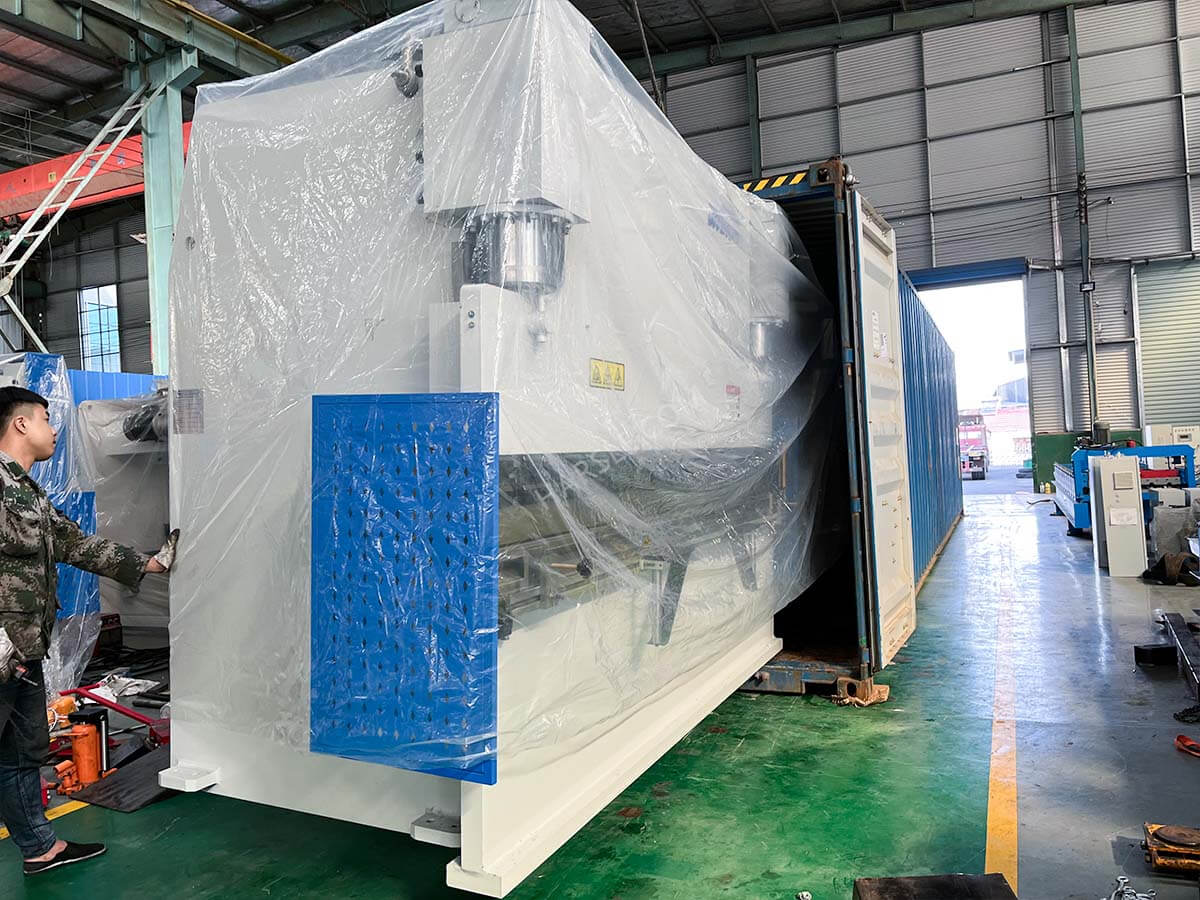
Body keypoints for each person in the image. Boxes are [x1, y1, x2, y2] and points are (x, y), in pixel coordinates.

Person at [0, 386, 177, 876]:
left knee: (21, 755)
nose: (53, 429)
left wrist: (151, 564)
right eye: (45, 418)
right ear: (21, 424)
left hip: (23, 652)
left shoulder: (28, 493)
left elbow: (76, 544)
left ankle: (40, 849)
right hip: (2, 648)